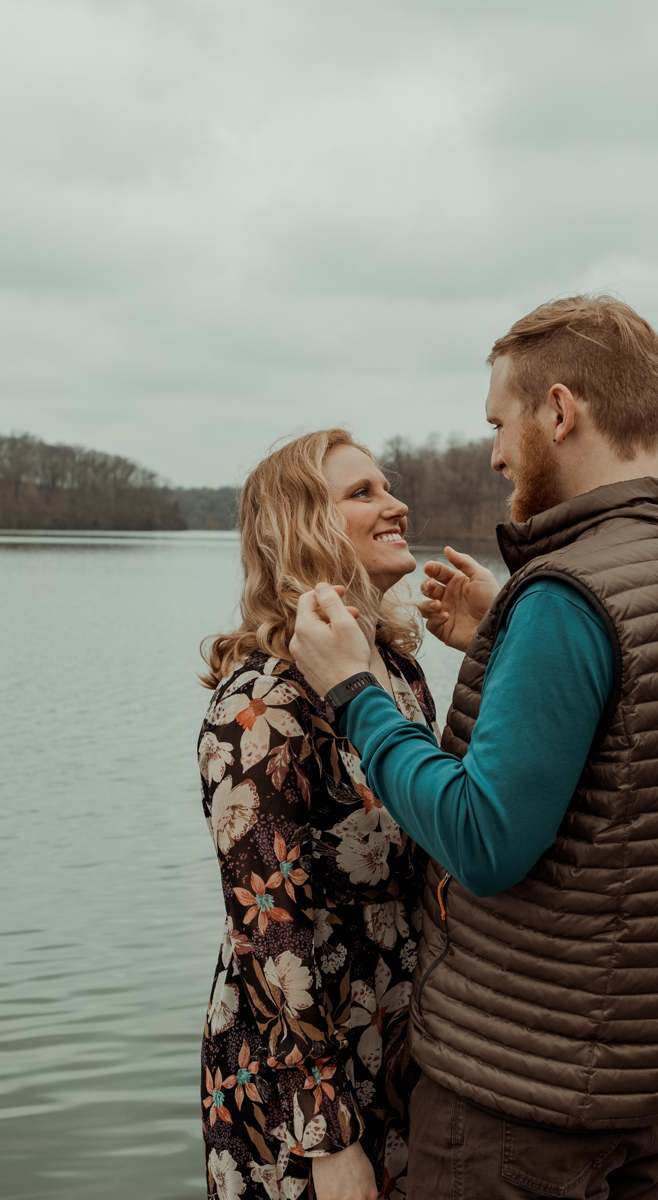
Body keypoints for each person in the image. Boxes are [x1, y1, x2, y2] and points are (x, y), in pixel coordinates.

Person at [289, 295, 658, 1199]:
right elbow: (634, 781)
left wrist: (355, 692)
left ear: (559, 411)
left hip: (514, 1107)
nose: (495, 452)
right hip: (646, 1092)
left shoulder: (568, 595)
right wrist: (500, 645)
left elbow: (485, 839)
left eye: (501, 423)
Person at [197, 430, 436, 1200]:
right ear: (304, 526)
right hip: (301, 1078)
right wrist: (327, 1138)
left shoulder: (398, 675)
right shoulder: (259, 708)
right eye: (362, 492)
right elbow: (269, 934)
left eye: (387, 486)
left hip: (401, 1049)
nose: (396, 504)